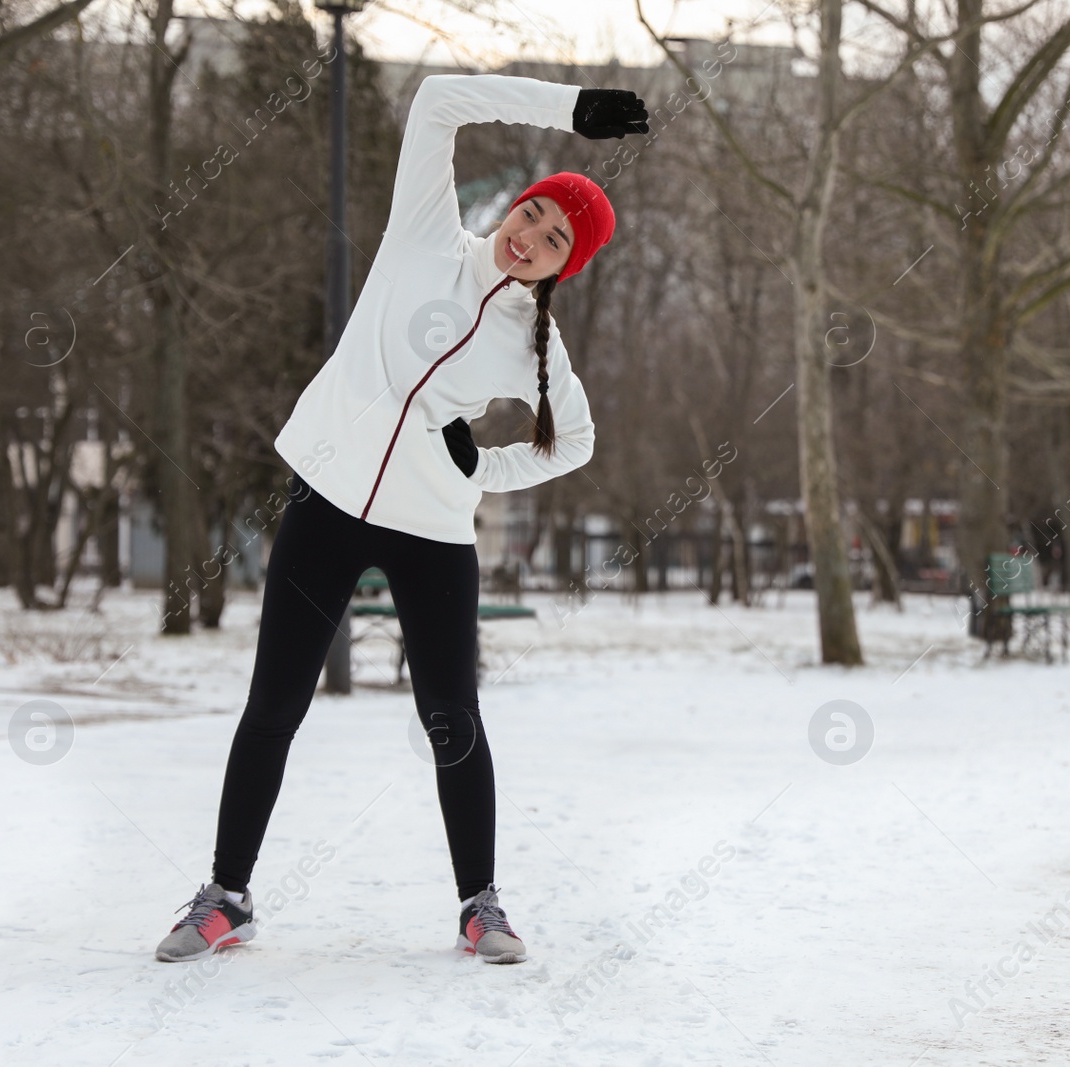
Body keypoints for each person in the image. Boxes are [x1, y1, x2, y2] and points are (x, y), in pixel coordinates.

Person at [154, 73, 648, 966]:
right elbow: (437, 99)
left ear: (566, 266)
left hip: (432, 533)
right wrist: (571, 111)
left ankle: (480, 905)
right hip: (329, 505)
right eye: (534, 212)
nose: (530, 235)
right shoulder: (426, 231)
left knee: (452, 717)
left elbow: (573, 441)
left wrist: (481, 466)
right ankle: (227, 894)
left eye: (556, 239)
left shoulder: (535, 347)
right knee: (274, 704)